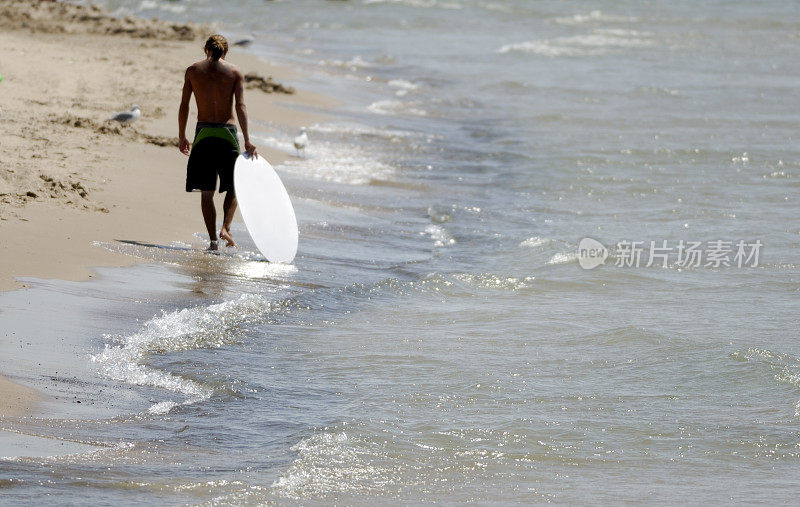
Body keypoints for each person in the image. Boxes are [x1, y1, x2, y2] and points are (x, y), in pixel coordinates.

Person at [178, 34, 257, 251]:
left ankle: (213, 240)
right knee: (235, 186)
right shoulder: (234, 72)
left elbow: (184, 104)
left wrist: (182, 135)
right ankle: (226, 227)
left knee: (206, 192)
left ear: (206, 50)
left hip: (203, 133)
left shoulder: (193, 71)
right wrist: (248, 139)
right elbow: (240, 106)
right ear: (225, 52)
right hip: (227, 134)